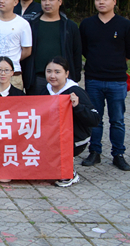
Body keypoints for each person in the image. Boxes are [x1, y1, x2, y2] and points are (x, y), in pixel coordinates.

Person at [79, 0, 130, 172]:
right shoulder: (87, 24)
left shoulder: (124, 25)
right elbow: (83, 48)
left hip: (117, 80)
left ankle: (118, 154)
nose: (101, 2)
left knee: (117, 119)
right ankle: (94, 152)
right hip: (93, 79)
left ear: (114, 1)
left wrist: (116, 61)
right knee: (95, 118)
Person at [42, 56, 102, 187]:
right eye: (49, 71)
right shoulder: (43, 91)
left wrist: (78, 107)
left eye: (57, 72)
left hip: (75, 138)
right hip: (51, 136)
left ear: (66, 73)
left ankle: (69, 172)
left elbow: (95, 119)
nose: (52, 76)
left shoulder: (75, 91)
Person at [24, 0, 82, 95]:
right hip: (36, 78)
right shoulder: (31, 25)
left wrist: (75, 77)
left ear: (60, 2)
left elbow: (76, 53)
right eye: (43, 0)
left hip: (62, 80)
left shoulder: (69, 26)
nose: (47, 3)